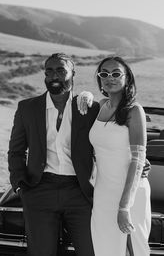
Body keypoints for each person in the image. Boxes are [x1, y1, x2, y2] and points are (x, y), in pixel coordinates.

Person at [8, 53, 100, 256]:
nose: (54, 76)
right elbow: (16, 151)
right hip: (39, 191)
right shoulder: (27, 108)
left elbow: (108, 144)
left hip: (80, 192)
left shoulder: (90, 108)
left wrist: (138, 159)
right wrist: (20, 184)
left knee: (92, 251)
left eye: (60, 70)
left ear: (73, 73)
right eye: (49, 71)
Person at [88, 56, 151, 256]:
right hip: (103, 191)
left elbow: (138, 159)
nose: (110, 78)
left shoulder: (134, 110)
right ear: (99, 79)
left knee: (133, 249)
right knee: (104, 247)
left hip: (129, 193)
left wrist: (124, 206)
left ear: (127, 78)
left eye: (116, 73)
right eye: (104, 74)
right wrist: (84, 95)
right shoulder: (100, 105)